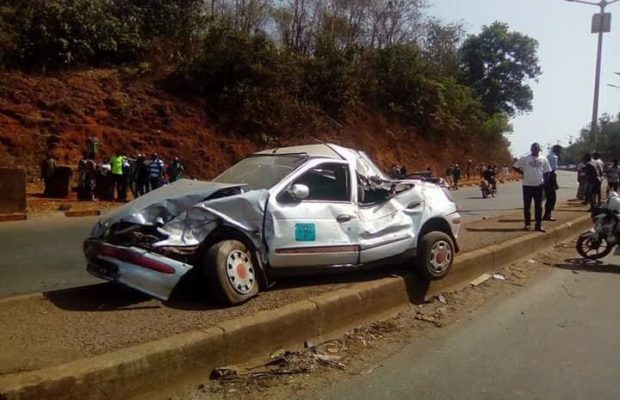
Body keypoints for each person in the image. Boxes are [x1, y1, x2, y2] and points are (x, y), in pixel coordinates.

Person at [513, 142, 552, 232]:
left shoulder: (543, 159)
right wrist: (522, 173)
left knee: (539, 206)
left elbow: (548, 171)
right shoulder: (525, 159)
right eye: (534, 149)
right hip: (527, 185)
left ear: (539, 150)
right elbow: (515, 166)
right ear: (531, 149)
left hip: (539, 185)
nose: (536, 150)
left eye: (537, 149)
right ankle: (527, 224)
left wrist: (545, 182)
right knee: (527, 206)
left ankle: (538, 225)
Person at [543, 145, 561, 221]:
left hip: (545, 179)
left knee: (548, 198)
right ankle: (548, 214)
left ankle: (546, 214)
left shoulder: (548, 156)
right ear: (556, 150)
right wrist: (555, 183)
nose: (560, 152)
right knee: (552, 198)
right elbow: (552, 171)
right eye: (560, 150)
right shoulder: (554, 158)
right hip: (550, 179)